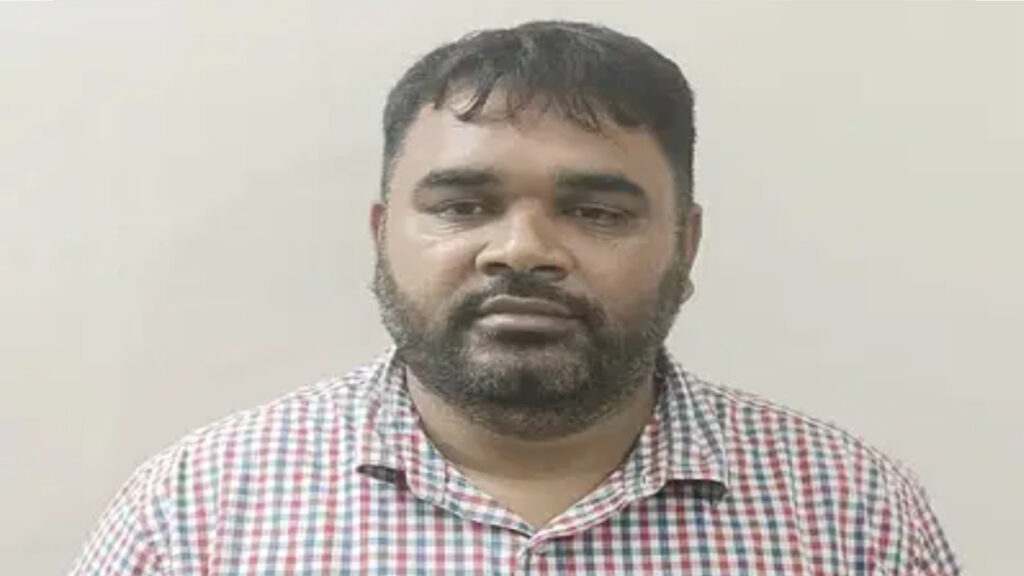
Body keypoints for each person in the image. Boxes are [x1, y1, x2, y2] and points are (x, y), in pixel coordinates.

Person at [71, 20, 961, 575]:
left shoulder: (854, 514)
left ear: (685, 245)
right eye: (463, 205)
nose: (523, 250)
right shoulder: (198, 512)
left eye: (595, 211)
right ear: (381, 233)